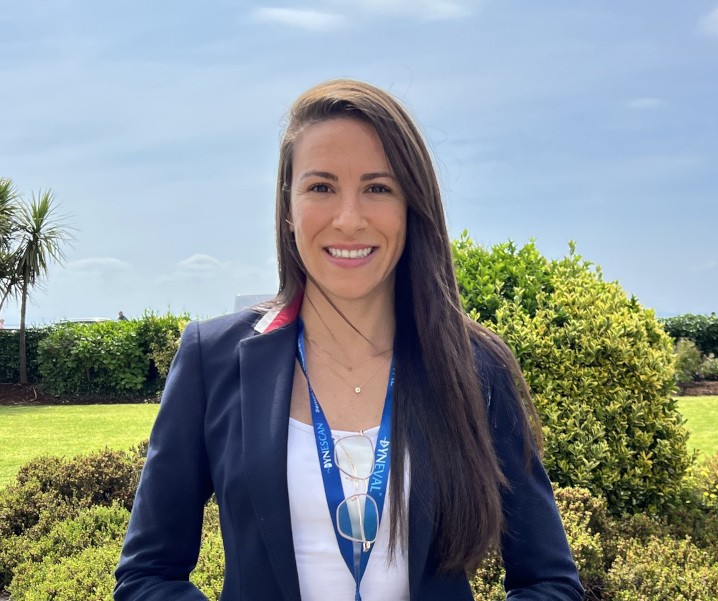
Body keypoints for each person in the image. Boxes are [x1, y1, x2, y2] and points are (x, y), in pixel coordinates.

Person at [114, 79, 583, 601]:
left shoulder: (472, 368)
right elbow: (147, 575)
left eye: (378, 188)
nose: (349, 219)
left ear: (411, 207)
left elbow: (549, 581)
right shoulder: (214, 359)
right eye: (321, 187)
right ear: (288, 209)